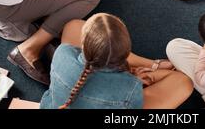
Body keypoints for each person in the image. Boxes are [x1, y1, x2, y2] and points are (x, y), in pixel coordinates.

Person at [40, 13, 193, 109]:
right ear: (126, 54)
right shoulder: (130, 88)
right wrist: (133, 79)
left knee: (73, 25)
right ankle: (151, 66)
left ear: (83, 43)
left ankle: (151, 65)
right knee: (183, 82)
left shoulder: (62, 52)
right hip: (123, 93)